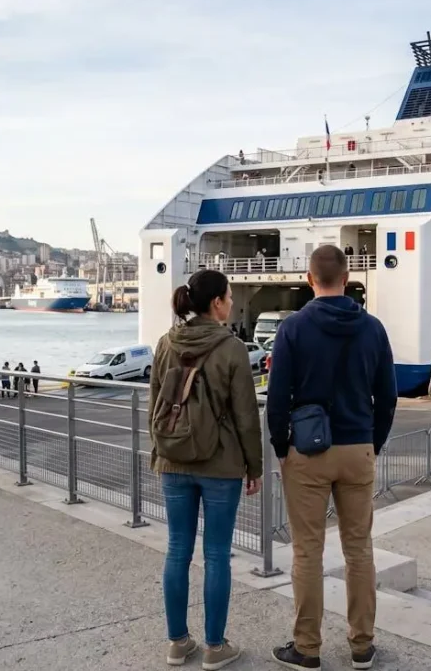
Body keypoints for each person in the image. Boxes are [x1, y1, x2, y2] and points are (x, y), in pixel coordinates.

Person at [266, 244, 396, 670]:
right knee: (359, 549)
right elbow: (388, 397)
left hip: (308, 450)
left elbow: (277, 397)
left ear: (309, 279)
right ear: (348, 278)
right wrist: (371, 443)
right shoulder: (373, 329)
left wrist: (281, 447)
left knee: (308, 552)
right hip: (357, 448)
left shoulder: (293, 328)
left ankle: (307, 648)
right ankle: (362, 646)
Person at [149, 268, 262, 670]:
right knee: (216, 554)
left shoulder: (165, 343)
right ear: (216, 303)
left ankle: (178, 643)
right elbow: (247, 416)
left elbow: (156, 404)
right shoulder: (231, 348)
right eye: (229, 297)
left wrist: (158, 450)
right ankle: (215, 647)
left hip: (173, 459)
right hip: (221, 463)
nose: (231, 303)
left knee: (177, 549)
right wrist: (254, 466)